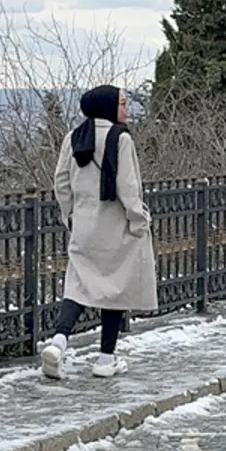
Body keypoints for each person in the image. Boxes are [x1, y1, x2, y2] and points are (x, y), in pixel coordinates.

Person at [42, 85, 157, 380]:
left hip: (84, 225)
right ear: (108, 106)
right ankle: (106, 358)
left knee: (79, 285)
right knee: (114, 290)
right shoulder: (121, 139)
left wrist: (70, 214)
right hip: (115, 225)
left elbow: (61, 182)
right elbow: (127, 187)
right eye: (121, 103)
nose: (126, 109)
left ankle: (59, 341)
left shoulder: (73, 137)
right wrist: (138, 219)